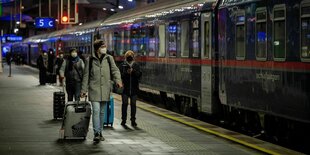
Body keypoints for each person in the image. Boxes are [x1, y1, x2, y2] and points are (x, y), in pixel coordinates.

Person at [80, 40, 122, 142]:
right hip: (94, 89)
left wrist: (118, 80)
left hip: (105, 89)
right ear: (97, 48)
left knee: (102, 112)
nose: (105, 48)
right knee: (96, 111)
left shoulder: (109, 58)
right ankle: (96, 133)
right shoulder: (89, 60)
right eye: (102, 46)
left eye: (105, 46)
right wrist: (83, 90)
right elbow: (86, 76)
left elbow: (115, 70)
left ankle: (100, 131)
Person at [120, 50, 142, 127]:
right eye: (128, 56)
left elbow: (139, 75)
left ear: (133, 57)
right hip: (125, 88)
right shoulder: (123, 65)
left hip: (134, 88)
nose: (129, 57)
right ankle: (123, 120)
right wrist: (126, 72)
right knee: (124, 104)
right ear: (126, 57)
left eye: (131, 56)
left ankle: (133, 120)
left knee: (133, 104)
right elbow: (120, 75)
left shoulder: (136, 65)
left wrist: (133, 71)